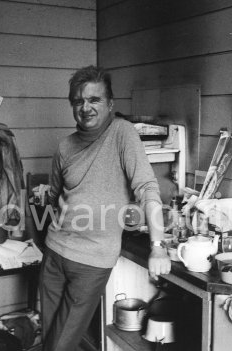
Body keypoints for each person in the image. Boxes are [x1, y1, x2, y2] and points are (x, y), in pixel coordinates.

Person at [40, 65, 171, 351]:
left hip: (91, 260)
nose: (85, 107)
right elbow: (53, 196)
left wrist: (158, 245)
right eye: (78, 101)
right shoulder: (65, 147)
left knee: (59, 345)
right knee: (50, 335)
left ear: (110, 104)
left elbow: (147, 188)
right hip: (54, 253)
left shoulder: (122, 133)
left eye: (94, 100)